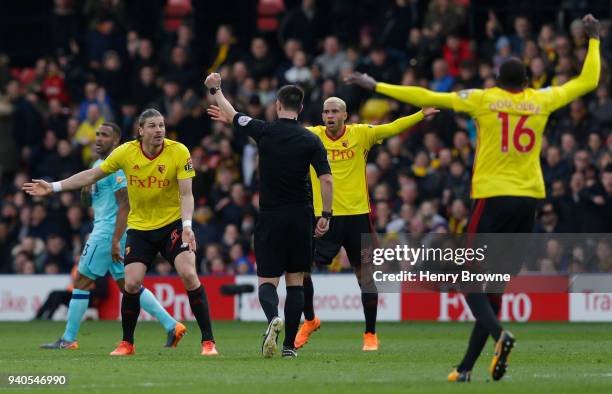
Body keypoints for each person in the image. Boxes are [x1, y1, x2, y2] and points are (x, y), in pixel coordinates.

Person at [347, 13, 600, 383]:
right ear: (527, 82)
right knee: (492, 284)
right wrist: (593, 40)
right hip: (528, 199)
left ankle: (500, 336)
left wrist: (378, 86)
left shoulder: (484, 100)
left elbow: (428, 96)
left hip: (493, 198)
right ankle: (466, 368)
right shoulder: (543, 100)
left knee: (469, 280)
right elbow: (588, 80)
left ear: (497, 81)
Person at [209, 98, 438, 351]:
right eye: (326, 111)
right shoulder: (311, 136)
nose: (329, 115)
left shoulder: (361, 134)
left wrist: (420, 114)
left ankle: (370, 334)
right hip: (322, 219)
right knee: (302, 271)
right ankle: (310, 320)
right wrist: (232, 119)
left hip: (357, 217)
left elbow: (392, 127)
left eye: (335, 111)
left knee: (366, 277)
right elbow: (278, 133)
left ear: (345, 115)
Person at [24, 111, 219, 357]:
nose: (159, 130)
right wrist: (53, 187)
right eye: (152, 126)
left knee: (189, 275)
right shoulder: (126, 153)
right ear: (141, 130)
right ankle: (128, 343)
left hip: (172, 225)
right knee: (131, 283)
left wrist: (188, 225)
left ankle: (208, 342)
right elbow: (92, 174)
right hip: (139, 227)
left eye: (161, 125)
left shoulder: (179, 151)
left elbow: (187, 194)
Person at [205, 73, 333, 359]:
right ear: (300, 109)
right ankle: (289, 346)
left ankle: (272, 318)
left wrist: (215, 88)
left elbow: (232, 113)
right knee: (296, 281)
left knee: (267, 281)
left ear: (277, 106)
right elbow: (326, 180)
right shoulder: (311, 139)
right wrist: (326, 214)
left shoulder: (264, 130)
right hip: (301, 217)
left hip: (271, 216)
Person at [39, 123, 185, 350]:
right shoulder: (98, 166)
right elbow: (93, 202)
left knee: (81, 280)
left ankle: (68, 339)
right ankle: (172, 325)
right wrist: (86, 194)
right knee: (127, 286)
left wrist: (116, 239)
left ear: (116, 141)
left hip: (109, 232)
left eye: (105, 135)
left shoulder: (117, 167)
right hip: (110, 231)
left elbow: (124, 204)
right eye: (97, 134)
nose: (98, 138)